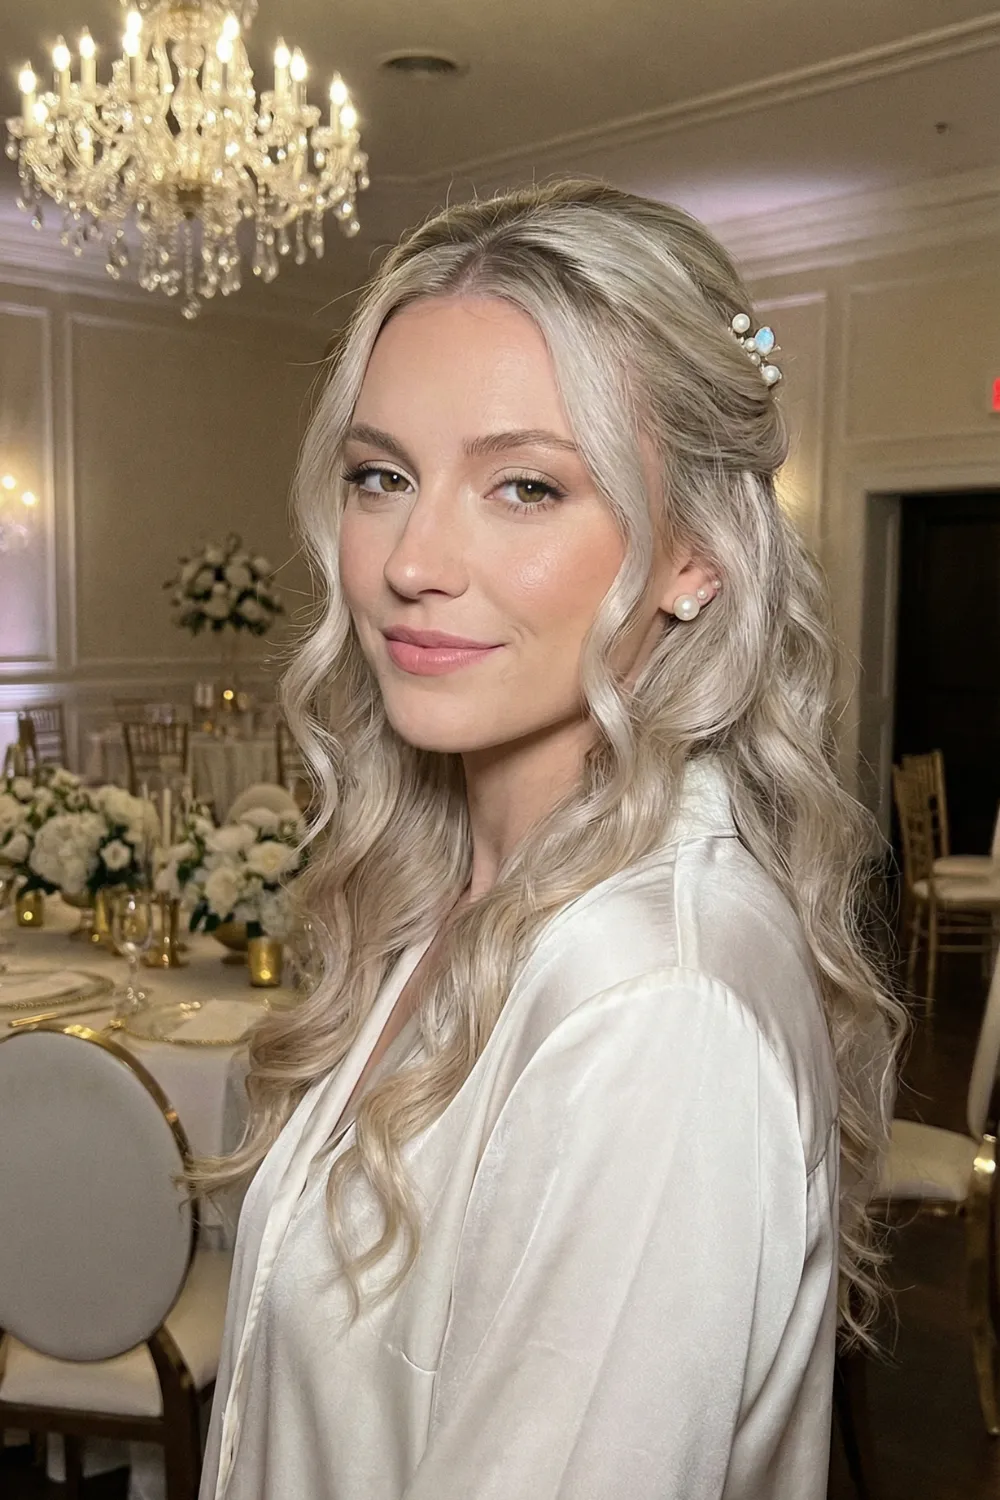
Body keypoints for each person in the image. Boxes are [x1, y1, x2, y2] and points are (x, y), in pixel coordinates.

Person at [196, 179, 902, 1500]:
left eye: (524, 486)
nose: (412, 558)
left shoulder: (649, 1008)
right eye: (380, 476)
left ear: (694, 553)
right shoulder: (453, 894)